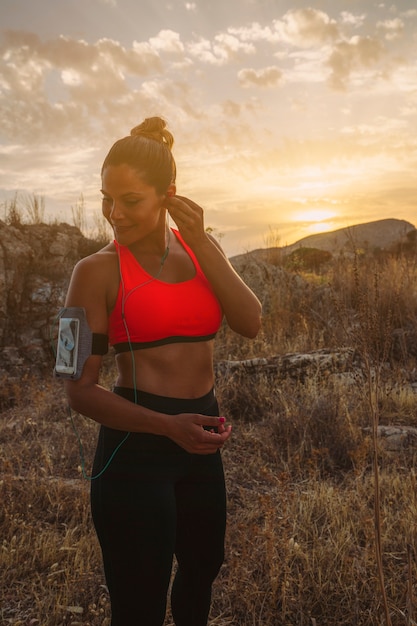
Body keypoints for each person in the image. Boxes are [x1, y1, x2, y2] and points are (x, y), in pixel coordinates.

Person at [63, 116, 262, 626]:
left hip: (203, 440)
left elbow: (251, 321)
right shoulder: (92, 272)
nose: (114, 214)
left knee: (202, 573)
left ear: (168, 195)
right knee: (139, 602)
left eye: (130, 200)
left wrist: (203, 241)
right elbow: (76, 389)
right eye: (108, 198)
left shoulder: (201, 252)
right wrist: (167, 427)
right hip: (136, 451)